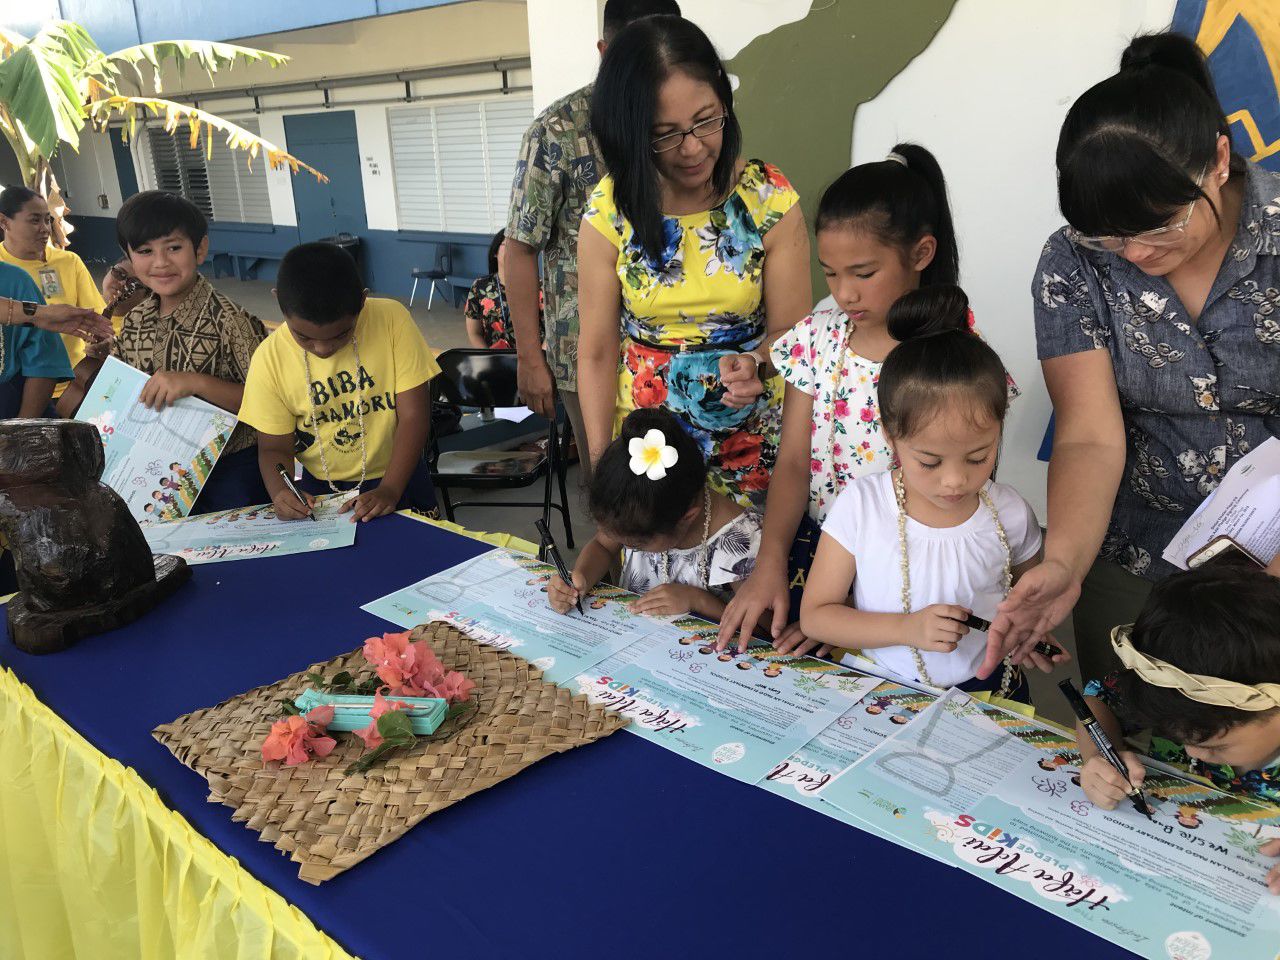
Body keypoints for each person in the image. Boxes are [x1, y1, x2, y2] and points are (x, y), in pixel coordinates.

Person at [989, 32, 1280, 685]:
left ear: (1219, 160)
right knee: (1130, 747)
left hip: (1274, 565)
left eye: (1160, 227)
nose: (1137, 255)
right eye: (1112, 236)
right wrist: (1061, 564)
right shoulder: (1073, 261)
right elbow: (1090, 436)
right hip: (1136, 555)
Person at [719, 143, 972, 653]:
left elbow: (960, 486)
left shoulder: (949, 354)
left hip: (910, 568)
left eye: (862, 273)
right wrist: (770, 566)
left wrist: (849, 618)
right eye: (830, 273)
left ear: (921, 254)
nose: (844, 293)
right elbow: (792, 463)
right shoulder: (818, 339)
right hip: (817, 555)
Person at [578, 15, 811, 515]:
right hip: (649, 452)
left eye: (706, 120)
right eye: (664, 134)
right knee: (653, 590)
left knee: (750, 583)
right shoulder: (608, 212)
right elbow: (596, 352)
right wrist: (603, 471)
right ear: (631, 133)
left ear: (724, 101)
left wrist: (758, 363)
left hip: (751, 444)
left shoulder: (766, 197)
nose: (693, 147)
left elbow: (793, 333)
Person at [797, 286, 1043, 701]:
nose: (954, 481)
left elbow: (1030, 602)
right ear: (892, 438)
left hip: (988, 689)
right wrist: (907, 628)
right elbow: (817, 618)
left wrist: (1031, 632)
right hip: (883, 686)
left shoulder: (1011, 512)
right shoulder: (863, 506)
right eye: (930, 461)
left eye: (978, 457)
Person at [506, 0, 681, 482]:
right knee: (617, 495)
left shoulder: (689, 123)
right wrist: (530, 357)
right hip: (589, 354)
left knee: (688, 494)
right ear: (605, 52)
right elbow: (519, 249)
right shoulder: (557, 131)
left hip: (682, 348)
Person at [57, 190, 269, 512]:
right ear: (128, 256)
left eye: (174, 247)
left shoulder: (232, 322)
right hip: (155, 472)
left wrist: (196, 383)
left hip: (230, 473)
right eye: (144, 250)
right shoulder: (135, 319)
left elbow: (269, 403)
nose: (160, 262)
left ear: (200, 249)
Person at [1076, 561, 1280, 893]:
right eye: (1172, 732)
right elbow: (1095, 700)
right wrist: (1099, 756)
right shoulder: (1176, 702)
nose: (1191, 752)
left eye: (1216, 745)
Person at [239, 242, 441, 523]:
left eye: (340, 334)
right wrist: (281, 492)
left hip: (400, 474)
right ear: (279, 303)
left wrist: (390, 489)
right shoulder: (269, 359)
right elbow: (273, 448)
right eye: (304, 337)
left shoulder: (391, 320)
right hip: (320, 492)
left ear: (362, 301)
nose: (322, 349)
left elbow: (414, 416)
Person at [547, 407, 762, 621]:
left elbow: (763, 634)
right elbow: (603, 545)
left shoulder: (742, 541)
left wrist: (699, 601)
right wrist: (581, 576)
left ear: (687, 518)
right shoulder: (640, 510)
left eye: (636, 546)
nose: (627, 547)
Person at [0, 186, 109, 400]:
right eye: (34, 220)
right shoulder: (6, 272)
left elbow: (98, 315)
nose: (45, 229)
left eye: (47, 220)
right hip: (23, 390)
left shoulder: (68, 261)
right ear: (4, 222)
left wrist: (105, 341)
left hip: (79, 381)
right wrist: (43, 315)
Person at [0, 261, 73, 417]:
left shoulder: (16, 279)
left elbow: (45, 364)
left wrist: (20, 431)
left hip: (10, 411)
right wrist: (41, 314)